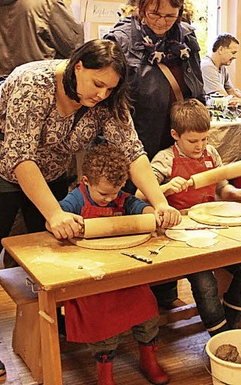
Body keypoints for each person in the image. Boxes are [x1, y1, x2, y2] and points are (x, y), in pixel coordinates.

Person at [0, 39, 180, 378]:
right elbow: (21, 157)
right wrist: (55, 213)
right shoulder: (33, 83)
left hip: (49, 169)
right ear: (78, 66)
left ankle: (55, 318)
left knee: (54, 247)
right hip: (2, 164)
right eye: (97, 84)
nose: (101, 95)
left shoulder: (107, 100)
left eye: (110, 89)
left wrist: (159, 201)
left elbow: (133, 150)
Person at [139, 99, 241, 335]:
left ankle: (230, 324)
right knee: (205, 281)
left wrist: (235, 193)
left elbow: (221, 187)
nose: (200, 146)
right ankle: (219, 334)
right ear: (175, 134)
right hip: (181, 234)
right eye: (193, 141)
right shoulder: (165, 159)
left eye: (204, 139)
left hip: (213, 226)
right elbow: (140, 195)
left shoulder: (211, 154)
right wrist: (164, 189)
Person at [59, 144, 169, 385]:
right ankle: (105, 374)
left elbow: (138, 207)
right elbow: (56, 218)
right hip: (94, 279)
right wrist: (63, 223)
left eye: (116, 193)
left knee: (148, 311)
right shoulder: (75, 200)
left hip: (125, 272)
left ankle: (148, 359)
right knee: (103, 325)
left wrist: (154, 212)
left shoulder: (119, 197)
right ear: (86, 181)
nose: (111, 199)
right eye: (104, 195)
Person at [105, 0, 205, 164]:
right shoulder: (121, 42)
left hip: (179, 147)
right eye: (155, 14)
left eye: (170, 16)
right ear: (142, 8)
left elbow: (197, 93)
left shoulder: (187, 39)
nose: (161, 22)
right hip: (136, 145)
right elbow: (108, 108)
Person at [201, 33, 241, 104]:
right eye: (233, 53)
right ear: (220, 49)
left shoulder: (222, 67)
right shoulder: (207, 67)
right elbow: (225, 99)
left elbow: (231, 91)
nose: (235, 57)